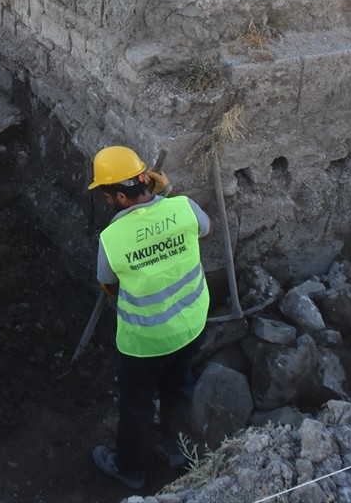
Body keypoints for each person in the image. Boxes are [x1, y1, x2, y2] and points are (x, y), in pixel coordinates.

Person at [86, 145, 212, 489]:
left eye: (106, 195)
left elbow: (109, 285)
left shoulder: (112, 238)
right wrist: (169, 195)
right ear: (146, 179)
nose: (106, 201)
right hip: (191, 326)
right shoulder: (183, 207)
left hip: (145, 343)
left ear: (121, 197)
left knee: (136, 405)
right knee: (179, 386)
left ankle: (130, 470)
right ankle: (177, 451)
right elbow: (207, 229)